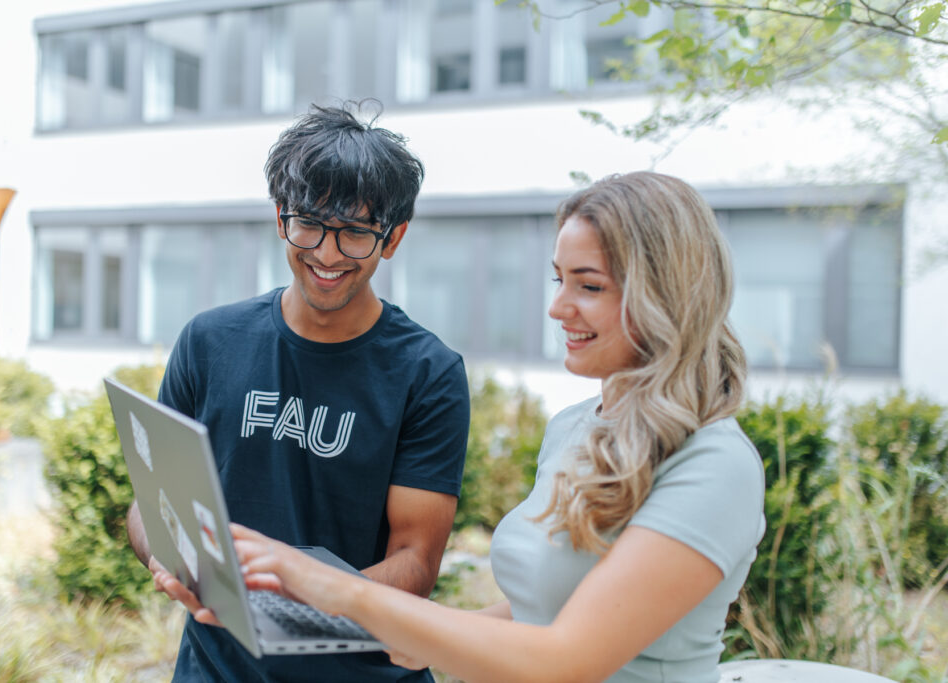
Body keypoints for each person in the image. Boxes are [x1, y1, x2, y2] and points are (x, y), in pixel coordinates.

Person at [230, 171, 767, 683]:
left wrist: (331, 587)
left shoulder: (716, 466)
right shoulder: (574, 429)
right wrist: (397, 632)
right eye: (559, 280)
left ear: (667, 295)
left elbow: (567, 662)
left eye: (589, 287)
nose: (558, 307)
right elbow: (543, 607)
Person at [125, 102, 471, 682]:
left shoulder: (426, 372)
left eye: (356, 233)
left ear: (394, 238)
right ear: (281, 215)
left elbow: (414, 561)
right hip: (216, 667)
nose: (327, 254)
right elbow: (153, 499)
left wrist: (287, 602)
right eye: (308, 223)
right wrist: (163, 551)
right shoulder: (210, 341)